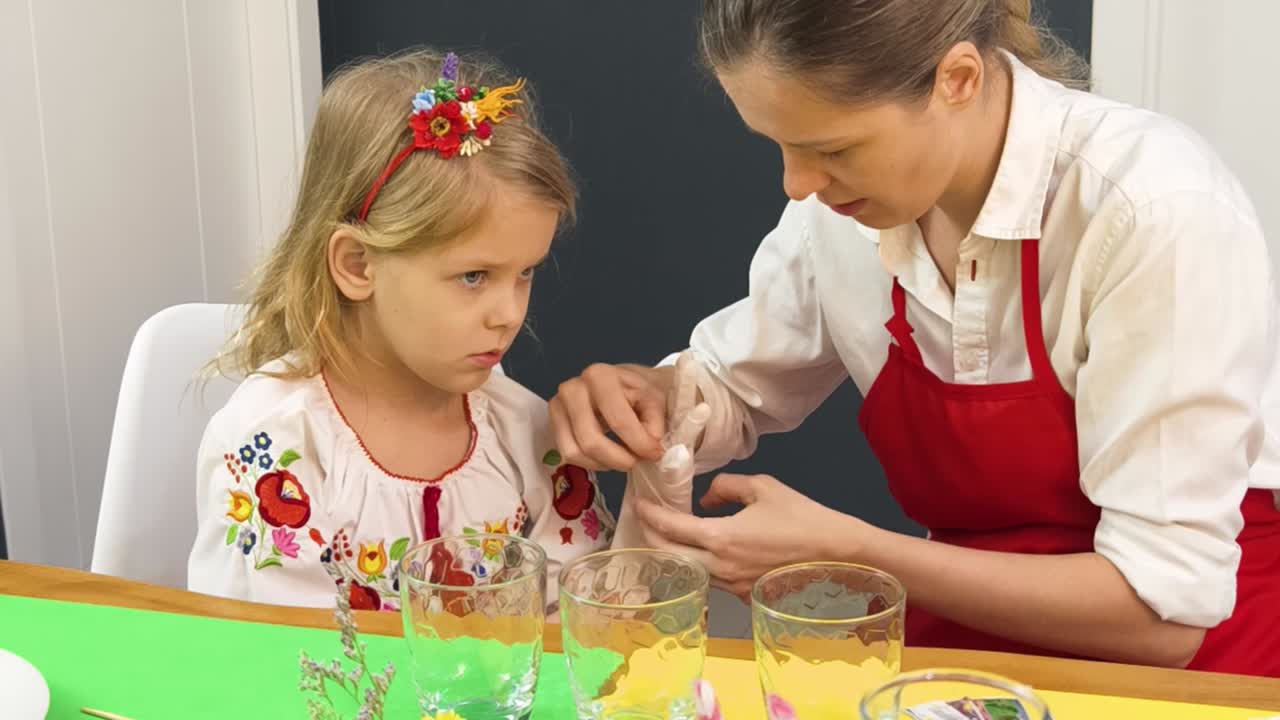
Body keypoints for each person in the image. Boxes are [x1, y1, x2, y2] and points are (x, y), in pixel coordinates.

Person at [549, 0, 1280, 675]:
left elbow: (1165, 614)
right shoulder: (842, 214)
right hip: (966, 641)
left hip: (1191, 671)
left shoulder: (1152, 212)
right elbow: (731, 388)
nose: (796, 185)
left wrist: (852, 553)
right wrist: (655, 394)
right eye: (778, 145)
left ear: (957, 79)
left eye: (830, 148)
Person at [188, 49, 613, 612]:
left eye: (525, 273)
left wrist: (661, 484)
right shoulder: (273, 449)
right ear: (358, 265)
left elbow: (592, 619)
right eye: (473, 276)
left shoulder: (523, 432)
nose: (508, 313)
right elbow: (275, 661)